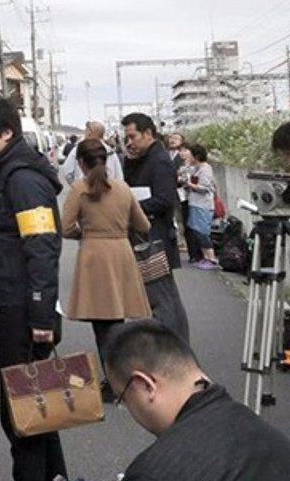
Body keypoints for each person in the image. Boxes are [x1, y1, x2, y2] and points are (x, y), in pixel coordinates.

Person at [0, 95, 66, 481]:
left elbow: (42, 248)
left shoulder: (22, 180)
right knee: (38, 408)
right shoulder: (4, 174)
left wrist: (41, 314)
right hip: (10, 305)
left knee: (22, 413)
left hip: (21, 311)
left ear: (7, 133)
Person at [105, 320, 290, 480]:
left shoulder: (154, 471)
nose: (127, 409)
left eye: (123, 399)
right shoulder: (263, 434)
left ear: (146, 385)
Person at [60, 138, 152, 401]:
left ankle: (113, 380)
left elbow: (66, 227)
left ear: (80, 162)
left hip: (94, 255)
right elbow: (143, 225)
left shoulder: (80, 189)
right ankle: (122, 376)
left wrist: (86, 234)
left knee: (102, 324)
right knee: (118, 320)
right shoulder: (123, 188)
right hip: (121, 252)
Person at [122, 112, 190, 343]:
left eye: (132, 136)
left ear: (148, 133)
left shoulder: (159, 161)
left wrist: (131, 206)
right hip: (149, 238)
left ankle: (175, 351)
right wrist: (129, 159)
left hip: (155, 240)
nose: (129, 142)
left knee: (162, 300)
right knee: (163, 298)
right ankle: (176, 349)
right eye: (126, 138)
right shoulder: (144, 158)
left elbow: (164, 199)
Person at [178, 143, 219, 269]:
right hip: (194, 202)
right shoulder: (196, 168)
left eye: (190, 155)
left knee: (202, 232)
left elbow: (205, 188)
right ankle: (205, 257)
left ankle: (211, 258)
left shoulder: (205, 169)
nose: (188, 158)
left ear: (197, 156)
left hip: (203, 205)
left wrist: (190, 185)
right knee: (196, 230)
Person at [58, 121, 123, 187]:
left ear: (89, 133)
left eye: (86, 131)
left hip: (84, 192)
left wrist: (76, 185)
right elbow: (119, 176)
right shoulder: (111, 152)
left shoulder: (79, 149)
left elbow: (67, 170)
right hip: (108, 191)